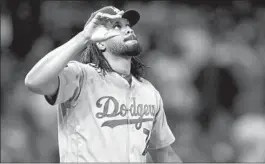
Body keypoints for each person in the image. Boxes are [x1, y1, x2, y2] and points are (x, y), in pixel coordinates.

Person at [25, 6, 182, 163]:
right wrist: (84, 37)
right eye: (117, 26)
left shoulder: (148, 91)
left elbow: (163, 153)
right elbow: (34, 82)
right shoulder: (81, 76)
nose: (128, 30)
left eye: (128, 25)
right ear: (100, 43)